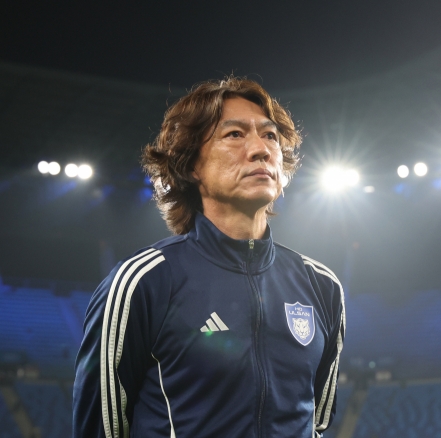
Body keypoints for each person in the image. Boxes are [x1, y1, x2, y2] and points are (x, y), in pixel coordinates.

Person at [73, 77, 345, 437]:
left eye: (270, 136)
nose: (260, 149)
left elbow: (316, 424)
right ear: (190, 166)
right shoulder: (142, 283)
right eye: (234, 134)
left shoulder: (322, 287)